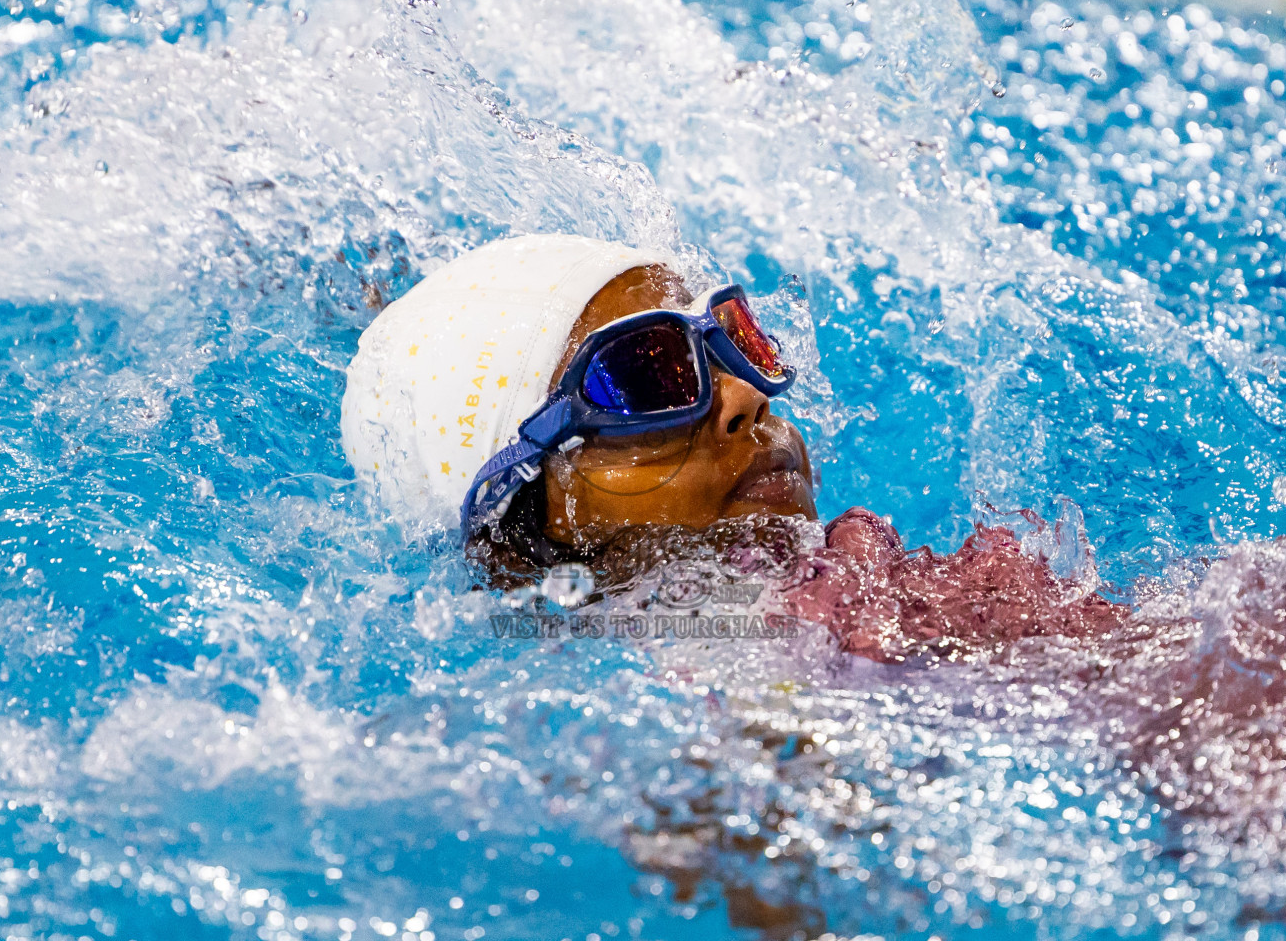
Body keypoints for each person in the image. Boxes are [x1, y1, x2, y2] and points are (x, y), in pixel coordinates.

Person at [342, 234, 1124, 662]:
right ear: (522, 534)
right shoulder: (712, 668)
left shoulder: (863, 582)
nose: (746, 398)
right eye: (649, 378)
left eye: (733, 345)